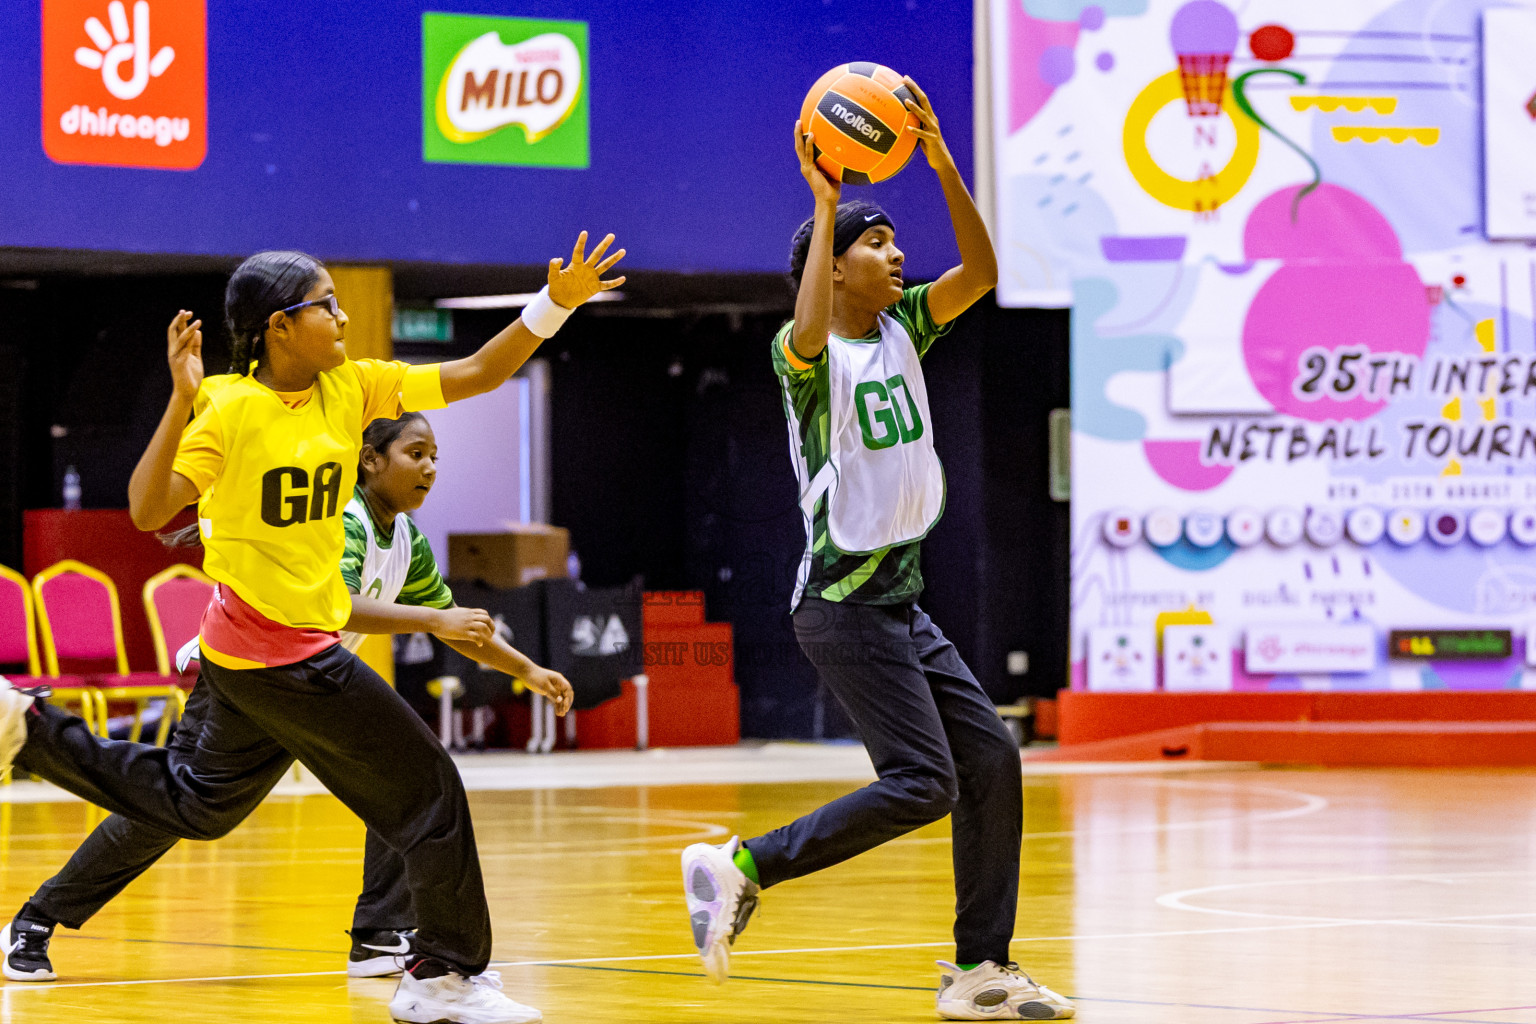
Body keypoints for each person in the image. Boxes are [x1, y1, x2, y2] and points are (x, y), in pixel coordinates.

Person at [0, 232, 622, 1024]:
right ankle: (444, 977)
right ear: (278, 327)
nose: (342, 317)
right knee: (429, 790)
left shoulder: (353, 388)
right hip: (285, 650)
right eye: (326, 304)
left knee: (197, 805)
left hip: (244, 655)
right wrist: (181, 396)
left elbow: (475, 374)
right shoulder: (226, 407)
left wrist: (553, 304)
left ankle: (27, 729)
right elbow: (150, 510)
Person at [680, 79, 1073, 1020]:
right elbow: (809, 327)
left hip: (899, 600)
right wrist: (823, 205)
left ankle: (982, 969)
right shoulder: (805, 356)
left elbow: (980, 271)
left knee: (991, 763)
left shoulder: (907, 328)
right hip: (843, 604)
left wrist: (940, 162)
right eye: (877, 243)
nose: (898, 255)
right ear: (835, 264)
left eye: (895, 240)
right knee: (924, 780)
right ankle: (741, 865)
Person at [3, 411, 573, 986]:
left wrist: (528, 669)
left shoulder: (405, 540)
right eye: (415, 454)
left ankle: (379, 933)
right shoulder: (343, 521)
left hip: (302, 682)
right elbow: (337, 607)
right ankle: (37, 917)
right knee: (176, 809)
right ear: (369, 460)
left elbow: (459, 627)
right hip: (247, 673)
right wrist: (432, 619)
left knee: (402, 777)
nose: (428, 469)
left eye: (434, 459)